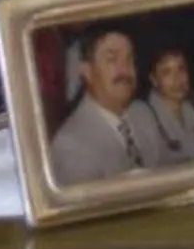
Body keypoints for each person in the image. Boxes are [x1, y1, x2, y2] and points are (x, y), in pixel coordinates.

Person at [47, 25, 161, 185]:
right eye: (112, 59)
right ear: (87, 71)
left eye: (129, 59)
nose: (125, 70)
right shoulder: (71, 145)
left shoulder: (143, 113)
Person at [137, 41, 194, 163]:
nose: (177, 79)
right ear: (154, 79)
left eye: (181, 69)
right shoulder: (144, 114)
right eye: (167, 72)